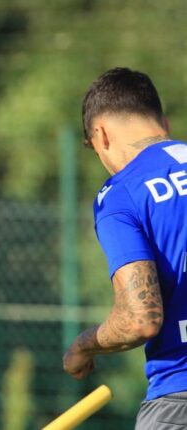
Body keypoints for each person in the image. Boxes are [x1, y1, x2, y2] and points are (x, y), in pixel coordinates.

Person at [62, 67, 187, 428]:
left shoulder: (121, 194)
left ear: (100, 135)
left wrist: (82, 346)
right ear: (162, 121)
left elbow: (140, 319)